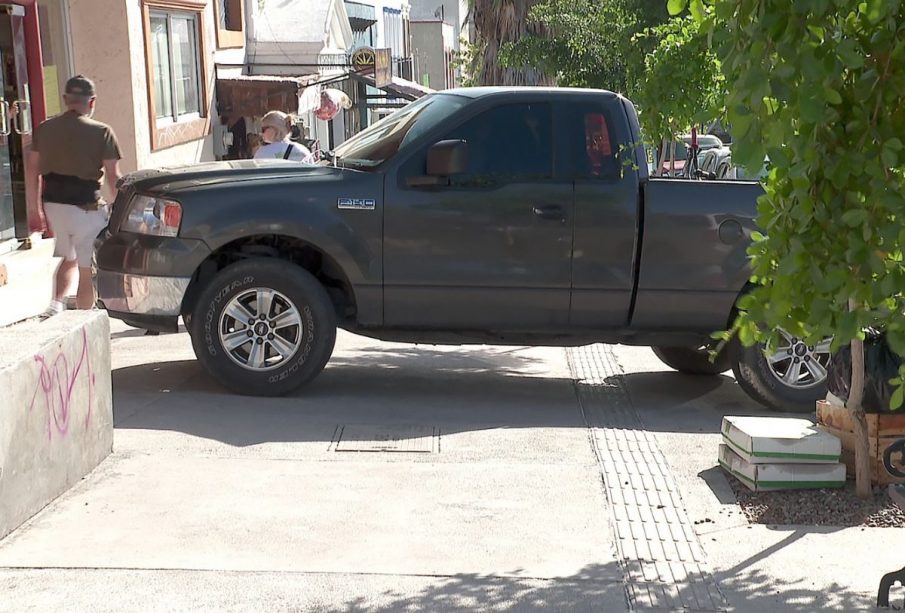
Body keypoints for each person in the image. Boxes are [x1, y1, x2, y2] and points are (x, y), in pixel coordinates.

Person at [28, 75, 122, 318]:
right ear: (92, 102)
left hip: (54, 205)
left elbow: (33, 170)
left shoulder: (44, 129)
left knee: (67, 256)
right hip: (86, 207)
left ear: (65, 99)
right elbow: (113, 176)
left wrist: (33, 208)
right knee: (85, 266)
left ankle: (55, 305)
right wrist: (121, 206)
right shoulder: (102, 132)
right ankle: (82, 320)